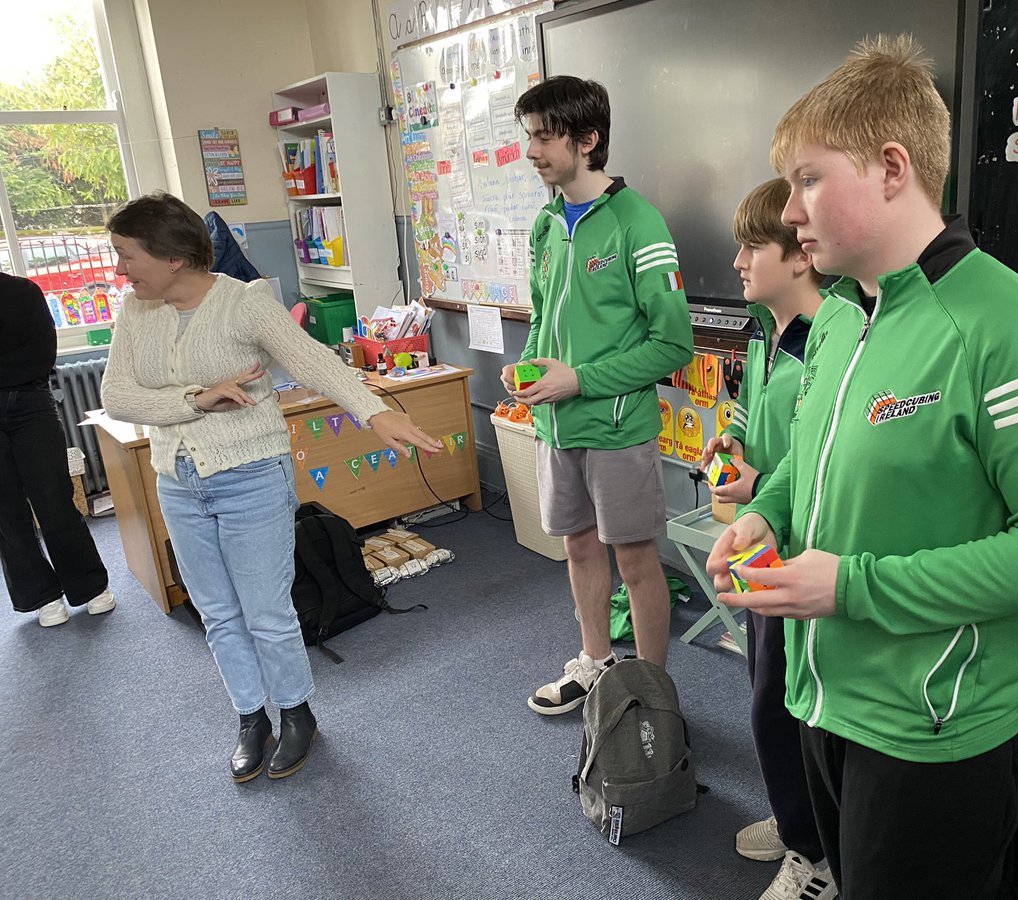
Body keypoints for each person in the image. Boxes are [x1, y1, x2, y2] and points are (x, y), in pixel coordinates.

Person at [706, 36, 1018, 899]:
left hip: (938, 727)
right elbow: (809, 466)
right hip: (829, 700)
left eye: (809, 180)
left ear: (893, 167)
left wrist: (851, 586)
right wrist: (769, 514)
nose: (789, 212)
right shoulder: (835, 318)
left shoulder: (1016, 330)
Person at [100, 192, 442, 782]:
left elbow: (314, 363)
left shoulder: (243, 304)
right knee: (218, 613)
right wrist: (196, 400)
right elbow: (117, 397)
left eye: (127, 255)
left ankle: (295, 711)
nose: (120, 270)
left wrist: (374, 412)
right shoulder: (136, 312)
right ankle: (249, 715)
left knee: (264, 611)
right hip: (178, 481)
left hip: (251, 475)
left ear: (173, 256)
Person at [503, 75, 693, 714]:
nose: (531, 151)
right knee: (578, 547)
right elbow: (542, 319)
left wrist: (579, 379)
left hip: (617, 428)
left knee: (636, 560)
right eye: (527, 135)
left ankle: (651, 692)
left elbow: (673, 346)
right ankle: (596, 661)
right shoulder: (546, 224)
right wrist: (528, 370)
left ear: (588, 139)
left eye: (543, 136)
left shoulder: (639, 223)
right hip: (557, 425)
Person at [697, 178, 832, 900]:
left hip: (802, 549)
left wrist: (758, 487)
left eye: (754, 246)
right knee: (765, 691)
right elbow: (749, 418)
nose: (739, 261)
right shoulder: (768, 334)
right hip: (757, 542)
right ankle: (796, 820)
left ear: (800, 256)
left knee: (781, 702)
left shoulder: (829, 341)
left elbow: (822, 462)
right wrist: (730, 445)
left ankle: (815, 856)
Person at [0, 272, 116, 625]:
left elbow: (41, 355)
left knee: (54, 499)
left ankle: (90, 587)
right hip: (21, 390)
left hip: (30, 405)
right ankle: (42, 597)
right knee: (6, 512)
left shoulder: (22, 291)